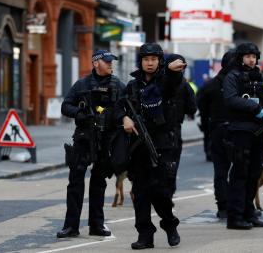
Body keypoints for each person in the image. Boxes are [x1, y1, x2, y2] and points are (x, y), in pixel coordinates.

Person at [115, 43, 186, 249]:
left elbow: (174, 84)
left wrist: (173, 72)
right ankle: (145, 235)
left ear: (159, 61)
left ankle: (170, 225)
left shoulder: (166, 80)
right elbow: (119, 107)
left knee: (160, 190)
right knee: (140, 193)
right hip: (138, 146)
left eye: (154, 59)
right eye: (146, 59)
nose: (149, 63)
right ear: (141, 61)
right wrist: (125, 118)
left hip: (162, 145)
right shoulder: (133, 85)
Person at [57, 50, 125, 238]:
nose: (111, 64)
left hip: (107, 140)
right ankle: (71, 226)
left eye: (112, 62)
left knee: (99, 183)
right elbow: (66, 106)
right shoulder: (82, 85)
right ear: (96, 63)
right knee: (75, 182)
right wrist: (80, 114)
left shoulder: (118, 85)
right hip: (84, 138)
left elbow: (128, 108)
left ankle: (97, 225)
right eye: (107, 61)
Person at [223, 42, 263, 230]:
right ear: (240, 58)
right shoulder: (233, 76)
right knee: (240, 174)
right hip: (240, 130)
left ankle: (249, 213)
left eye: (254, 56)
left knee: (254, 173)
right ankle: (235, 217)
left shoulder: (260, 76)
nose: (251, 59)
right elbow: (230, 99)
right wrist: (255, 108)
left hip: (257, 132)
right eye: (247, 56)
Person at [196, 49, 236, 218]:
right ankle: (236, 204)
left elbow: (201, 108)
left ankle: (223, 206)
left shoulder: (209, 85)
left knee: (220, 172)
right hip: (235, 131)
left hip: (217, 130)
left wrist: (207, 128)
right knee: (239, 171)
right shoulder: (237, 84)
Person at [166, 54, 197, 180]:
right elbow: (192, 109)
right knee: (171, 169)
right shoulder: (185, 85)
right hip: (174, 130)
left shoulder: (156, 80)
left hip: (154, 129)